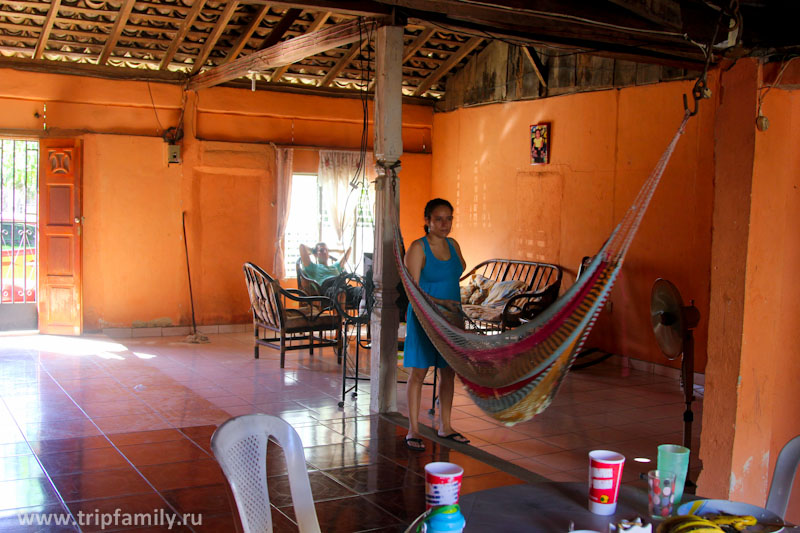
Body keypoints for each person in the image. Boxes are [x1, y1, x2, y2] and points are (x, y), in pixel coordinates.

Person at [403, 198, 470, 451]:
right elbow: (412, 290)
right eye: (439, 219)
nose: (445, 224)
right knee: (419, 373)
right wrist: (439, 303)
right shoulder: (418, 248)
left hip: (451, 319)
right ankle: (413, 430)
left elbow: (458, 270)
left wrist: (450, 306)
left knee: (448, 372)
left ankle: (446, 426)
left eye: (449, 218)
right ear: (427, 221)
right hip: (425, 318)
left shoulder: (453, 245)